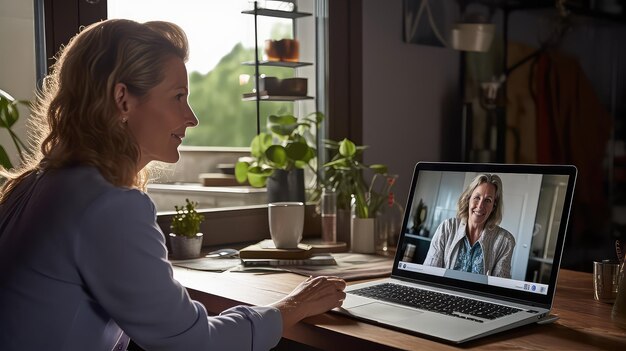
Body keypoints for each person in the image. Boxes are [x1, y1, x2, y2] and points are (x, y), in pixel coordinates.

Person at [0, 19, 346, 351]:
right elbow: (193, 344)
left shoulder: (37, 184)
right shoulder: (107, 205)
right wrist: (293, 306)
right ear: (123, 100)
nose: (191, 117)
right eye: (178, 96)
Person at [423, 174, 515, 278]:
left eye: (488, 200)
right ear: (468, 198)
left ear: (494, 205)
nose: (480, 206)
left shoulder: (505, 241)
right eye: (477, 197)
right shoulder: (447, 228)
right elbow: (428, 275)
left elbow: (498, 288)